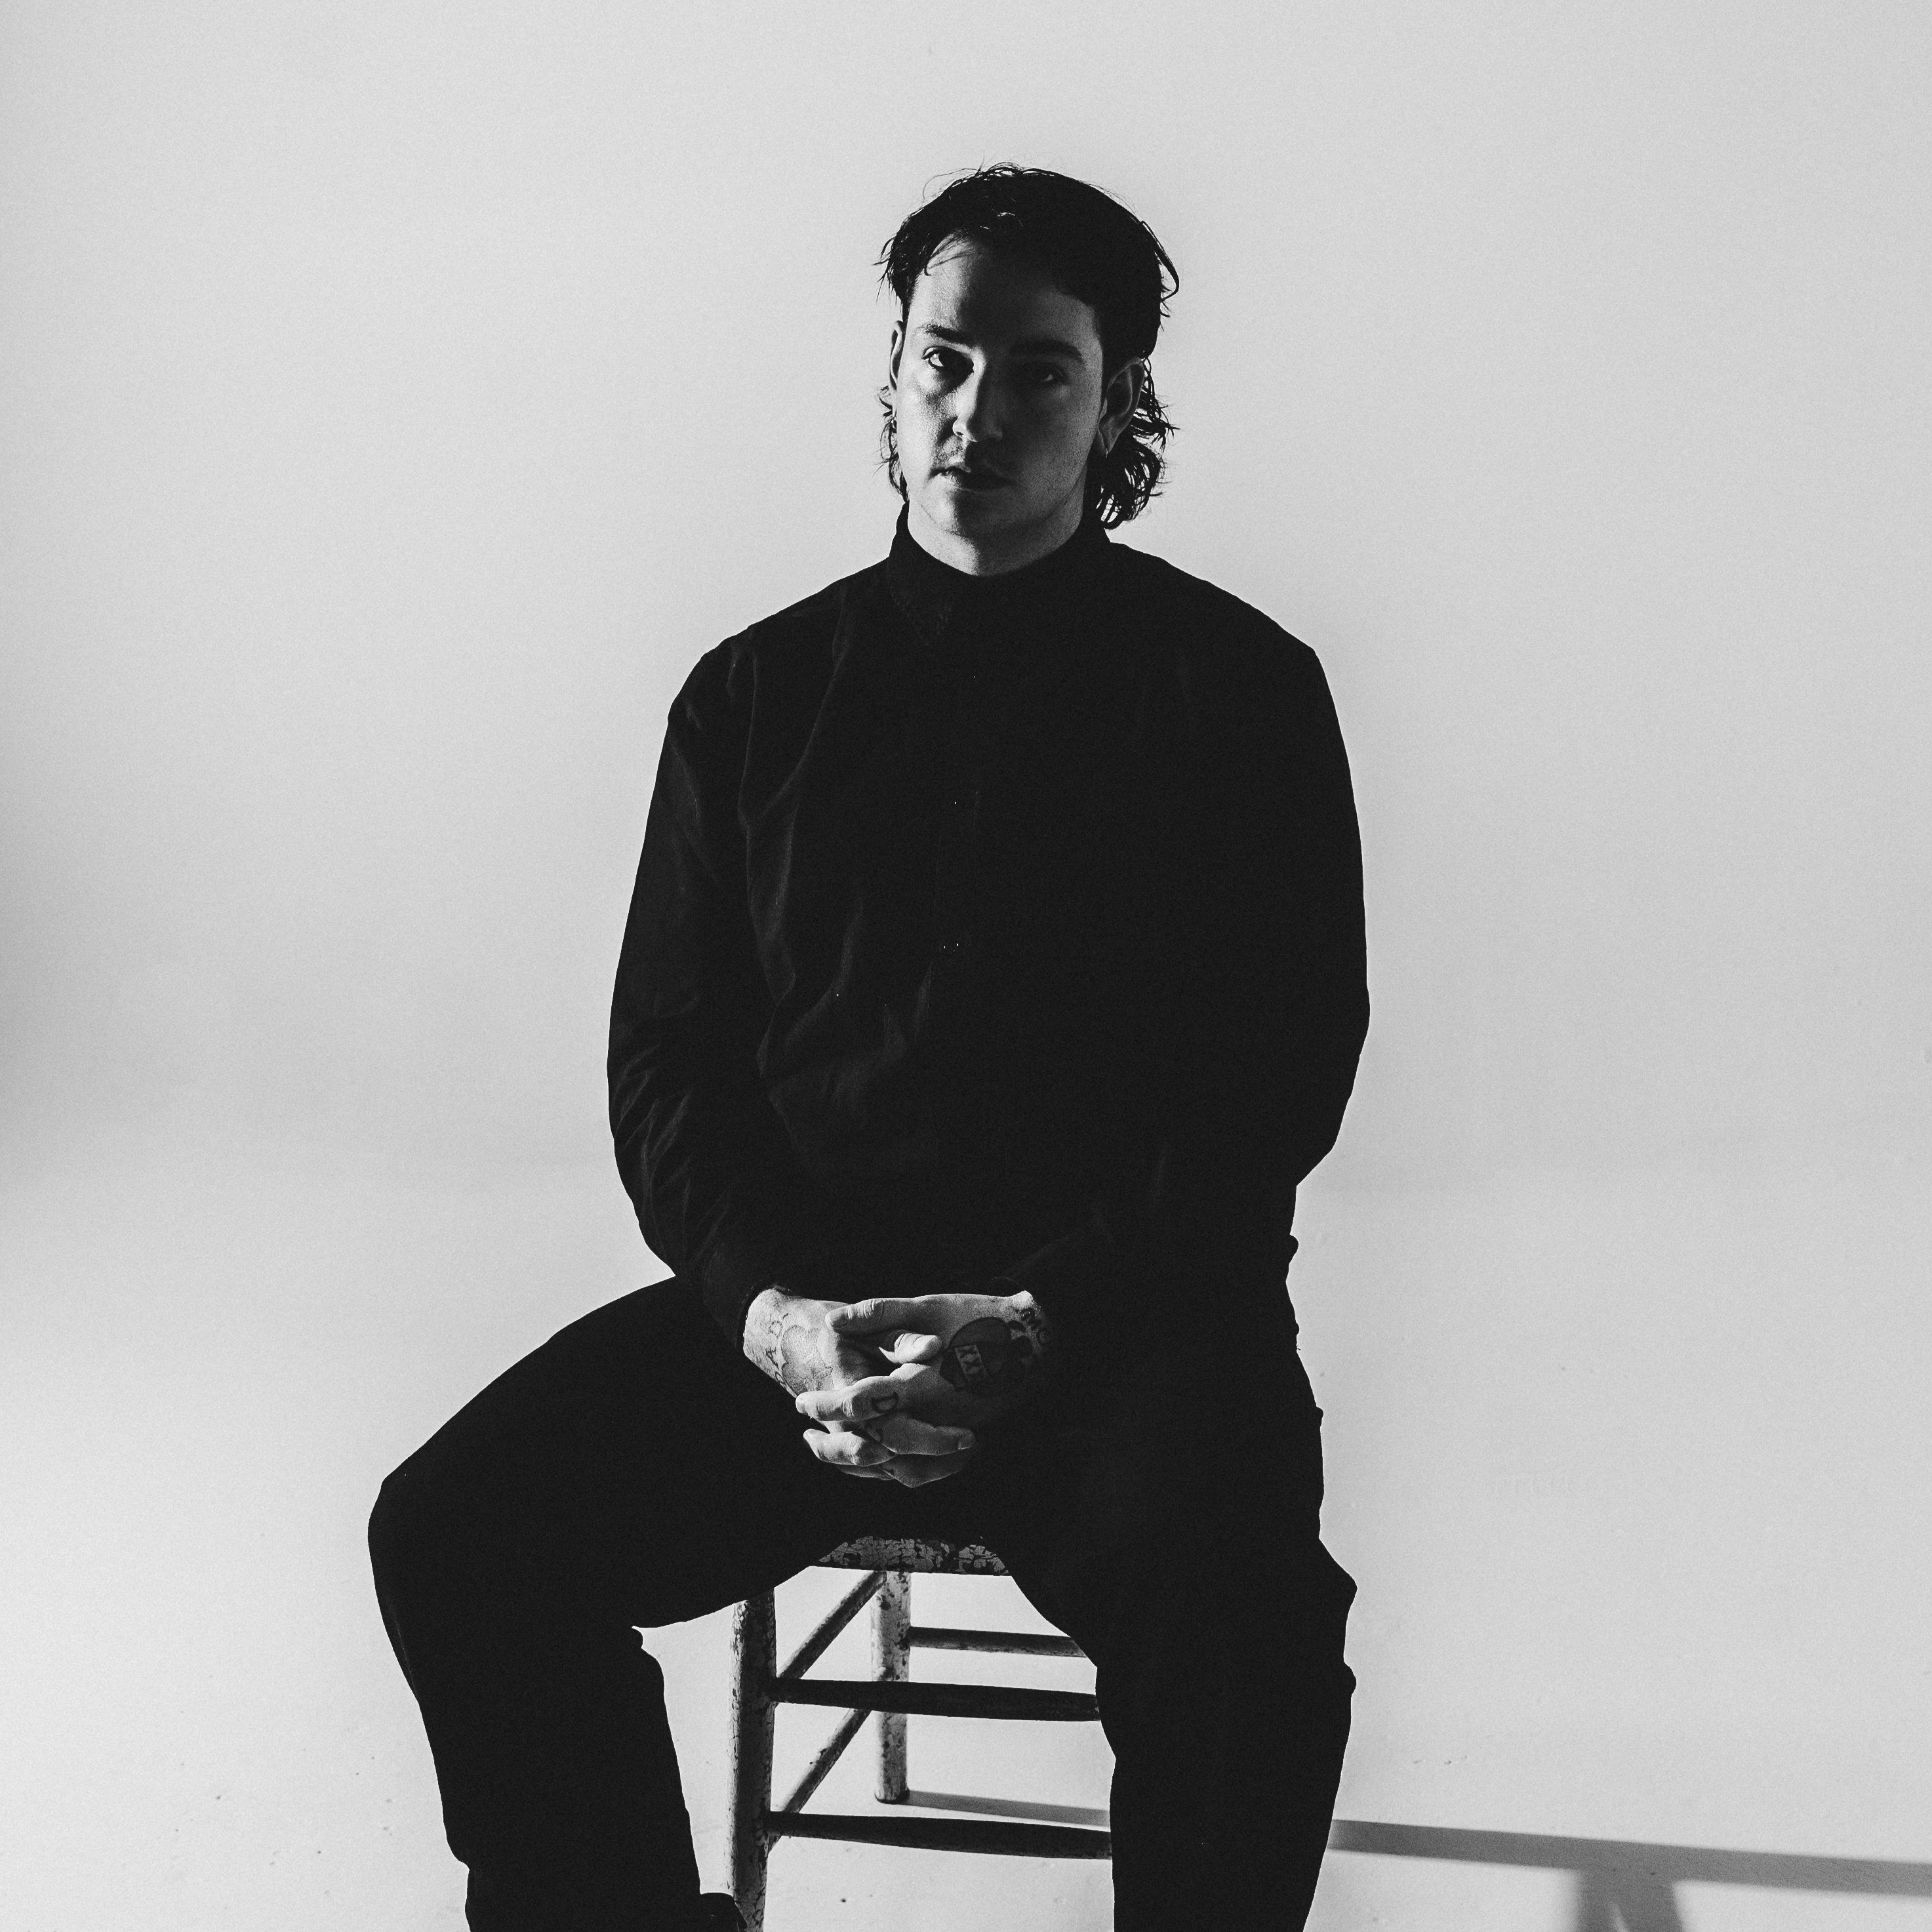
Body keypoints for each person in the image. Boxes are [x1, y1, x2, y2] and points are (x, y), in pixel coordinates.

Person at [369, 163, 1369, 1932]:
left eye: (1040, 371)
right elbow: (666, 1070)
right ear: (894, 375)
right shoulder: (751, 695)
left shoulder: (1238, 689)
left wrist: (1038, 1321)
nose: (977, 410)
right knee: (457, 1526)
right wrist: (778, 1322)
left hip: (1127, 1329)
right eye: (943, 360)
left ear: (1116, 406)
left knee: (1251, 1623)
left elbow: (1271, 1080)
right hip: (812, 1335)